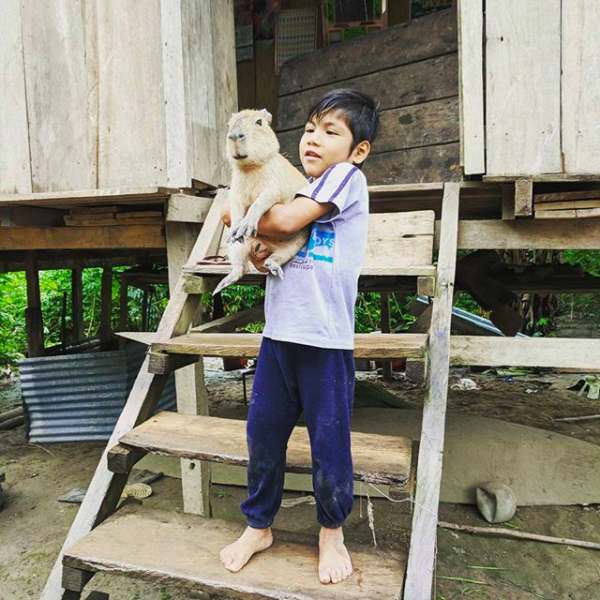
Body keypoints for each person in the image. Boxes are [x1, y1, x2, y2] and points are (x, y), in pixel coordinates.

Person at [219, 88, 380, 585]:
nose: (313, 139)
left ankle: (332, 530)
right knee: (262, 432)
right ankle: (258, 525)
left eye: (331, 132)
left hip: (326, 342)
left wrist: (238, 214)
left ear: (358, 150)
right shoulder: (295, 183)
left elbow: (278, 220)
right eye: (310, 129)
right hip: (279, 335)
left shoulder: (345, 179)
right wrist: (258, 249)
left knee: (329, 440)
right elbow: (262, 240)